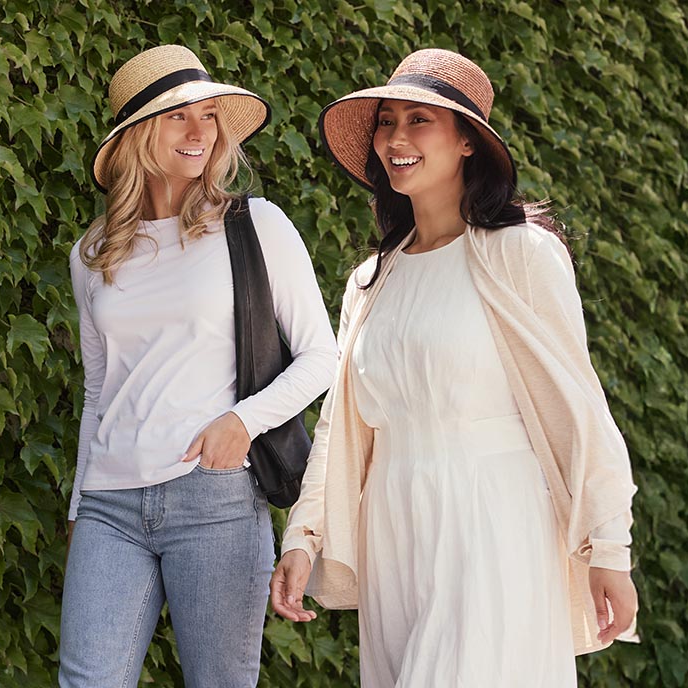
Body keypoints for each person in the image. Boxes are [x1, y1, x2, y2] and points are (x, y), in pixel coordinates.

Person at [269, 48, 639, 686]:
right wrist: (304, 535)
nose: (397, 138)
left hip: (493, 513)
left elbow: (580, 407)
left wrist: (609, 548)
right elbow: (341, 425)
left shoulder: (521, 254)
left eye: (420, 120)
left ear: (469, 142)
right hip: (394, 524)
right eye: (387, 122)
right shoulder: (369, 282)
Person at [59, 45, 337, 688]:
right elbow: (97, 390)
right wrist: (80, 504)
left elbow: (323, 354)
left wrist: (244, 420)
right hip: (108, 505)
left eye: (209, 116)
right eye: (176, 116)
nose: (198, 132)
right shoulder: (92, 253)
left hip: (215, 500)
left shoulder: (253, 225)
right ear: (135, 134)